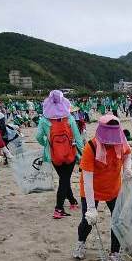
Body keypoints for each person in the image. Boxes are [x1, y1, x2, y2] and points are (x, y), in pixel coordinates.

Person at [72, 114, 132, 261]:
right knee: (87, 221)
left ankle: (114, 253)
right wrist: (91, 208)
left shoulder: (121, 141)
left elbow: (127, 155)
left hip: (113, 188)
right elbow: (87, 179)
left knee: (118, 221)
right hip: (92, 189)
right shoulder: (91, 147)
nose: (111, 144)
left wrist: (127, 169)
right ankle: (81, 243)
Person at [36, 90, 84, 219]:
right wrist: (83, 153)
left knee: (64, 178)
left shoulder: (44, 120)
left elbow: (38, 136)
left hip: (53, 154)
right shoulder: (69, 118)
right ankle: (58, 208)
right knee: (64, 179)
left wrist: (47, 143)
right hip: (69, 153)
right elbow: (78, 138)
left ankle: (72, 201)